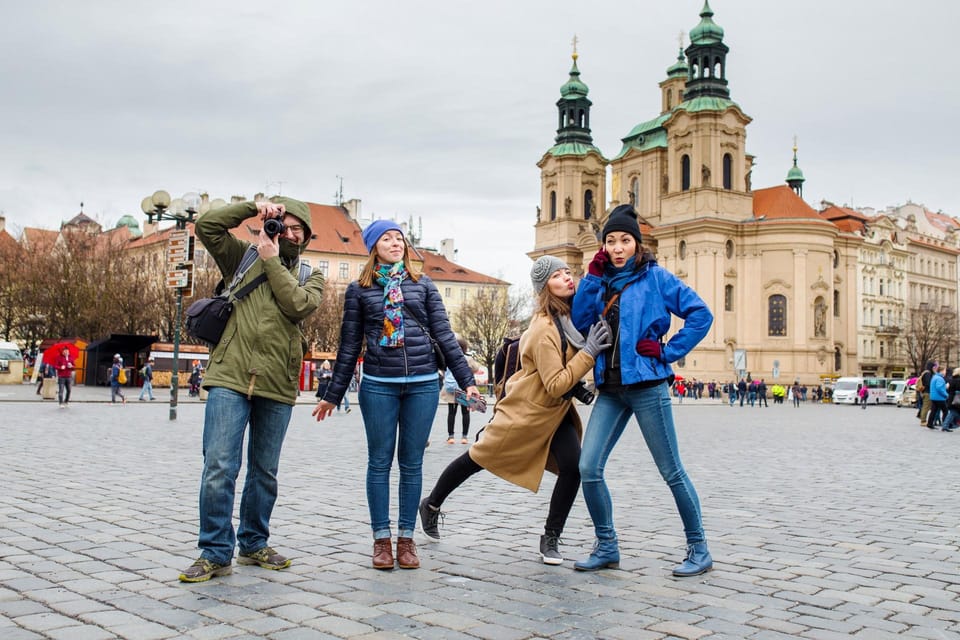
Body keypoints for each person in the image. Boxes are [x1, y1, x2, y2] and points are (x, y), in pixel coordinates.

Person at [419, 256, 611, 565]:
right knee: (479, 457)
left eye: (567, 272)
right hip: (525, 412)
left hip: (554, 413)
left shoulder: (569, 321)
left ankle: (550, 537)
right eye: (557, 275)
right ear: (544, 287)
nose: (567, 278)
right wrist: (588, 353)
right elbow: (556, 383)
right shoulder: (544, 329)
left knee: (574, 467)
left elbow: (563, 375)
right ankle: (430, 504)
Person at [312, 219, 479, 571]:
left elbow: (446, 336)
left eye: (399, 238)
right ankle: (380, 541)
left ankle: (406, 540)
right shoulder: (359, 290)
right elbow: (348, 346)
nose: (395, 243)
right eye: (387, 238)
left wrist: (466, 379)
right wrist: (333, 392)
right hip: (378, 384)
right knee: (379, 462)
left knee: (412, 462)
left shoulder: (424, 285)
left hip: (421, 384)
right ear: (373, 247)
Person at [178, 196, 324, 583]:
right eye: (283, 225)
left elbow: (296, 305)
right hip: (230, 373)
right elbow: (208, 225)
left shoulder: (311, 274)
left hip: (277, 380)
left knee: (264, 471)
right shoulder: (240, 256)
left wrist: (272, 259)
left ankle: (254, 543)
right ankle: (213, 551)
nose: (289, 233)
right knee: (219, 467)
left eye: (297, 229)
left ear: (307, 235)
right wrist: (251, 209)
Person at [572, 204, 713, 576]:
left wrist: (669, 351)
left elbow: (701, 314)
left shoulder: (656, 278)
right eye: (611, 242)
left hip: (648, 385)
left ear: (636, 243)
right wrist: (590, 278)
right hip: (610, 389)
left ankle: (699, 547)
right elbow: (580, 321)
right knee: (588, 467)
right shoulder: (600, 282)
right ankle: (607, 545)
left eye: (624, 240)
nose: (617, 248)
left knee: (671, 471)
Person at [440, 336, 479, 444]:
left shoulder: (446, 358)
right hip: (465, 389)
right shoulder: (467, 358)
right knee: (465, 413)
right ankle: (464, 437)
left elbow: (442, 371)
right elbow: (476, 369)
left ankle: (451, 437)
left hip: (450, 389)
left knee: (451, 413)